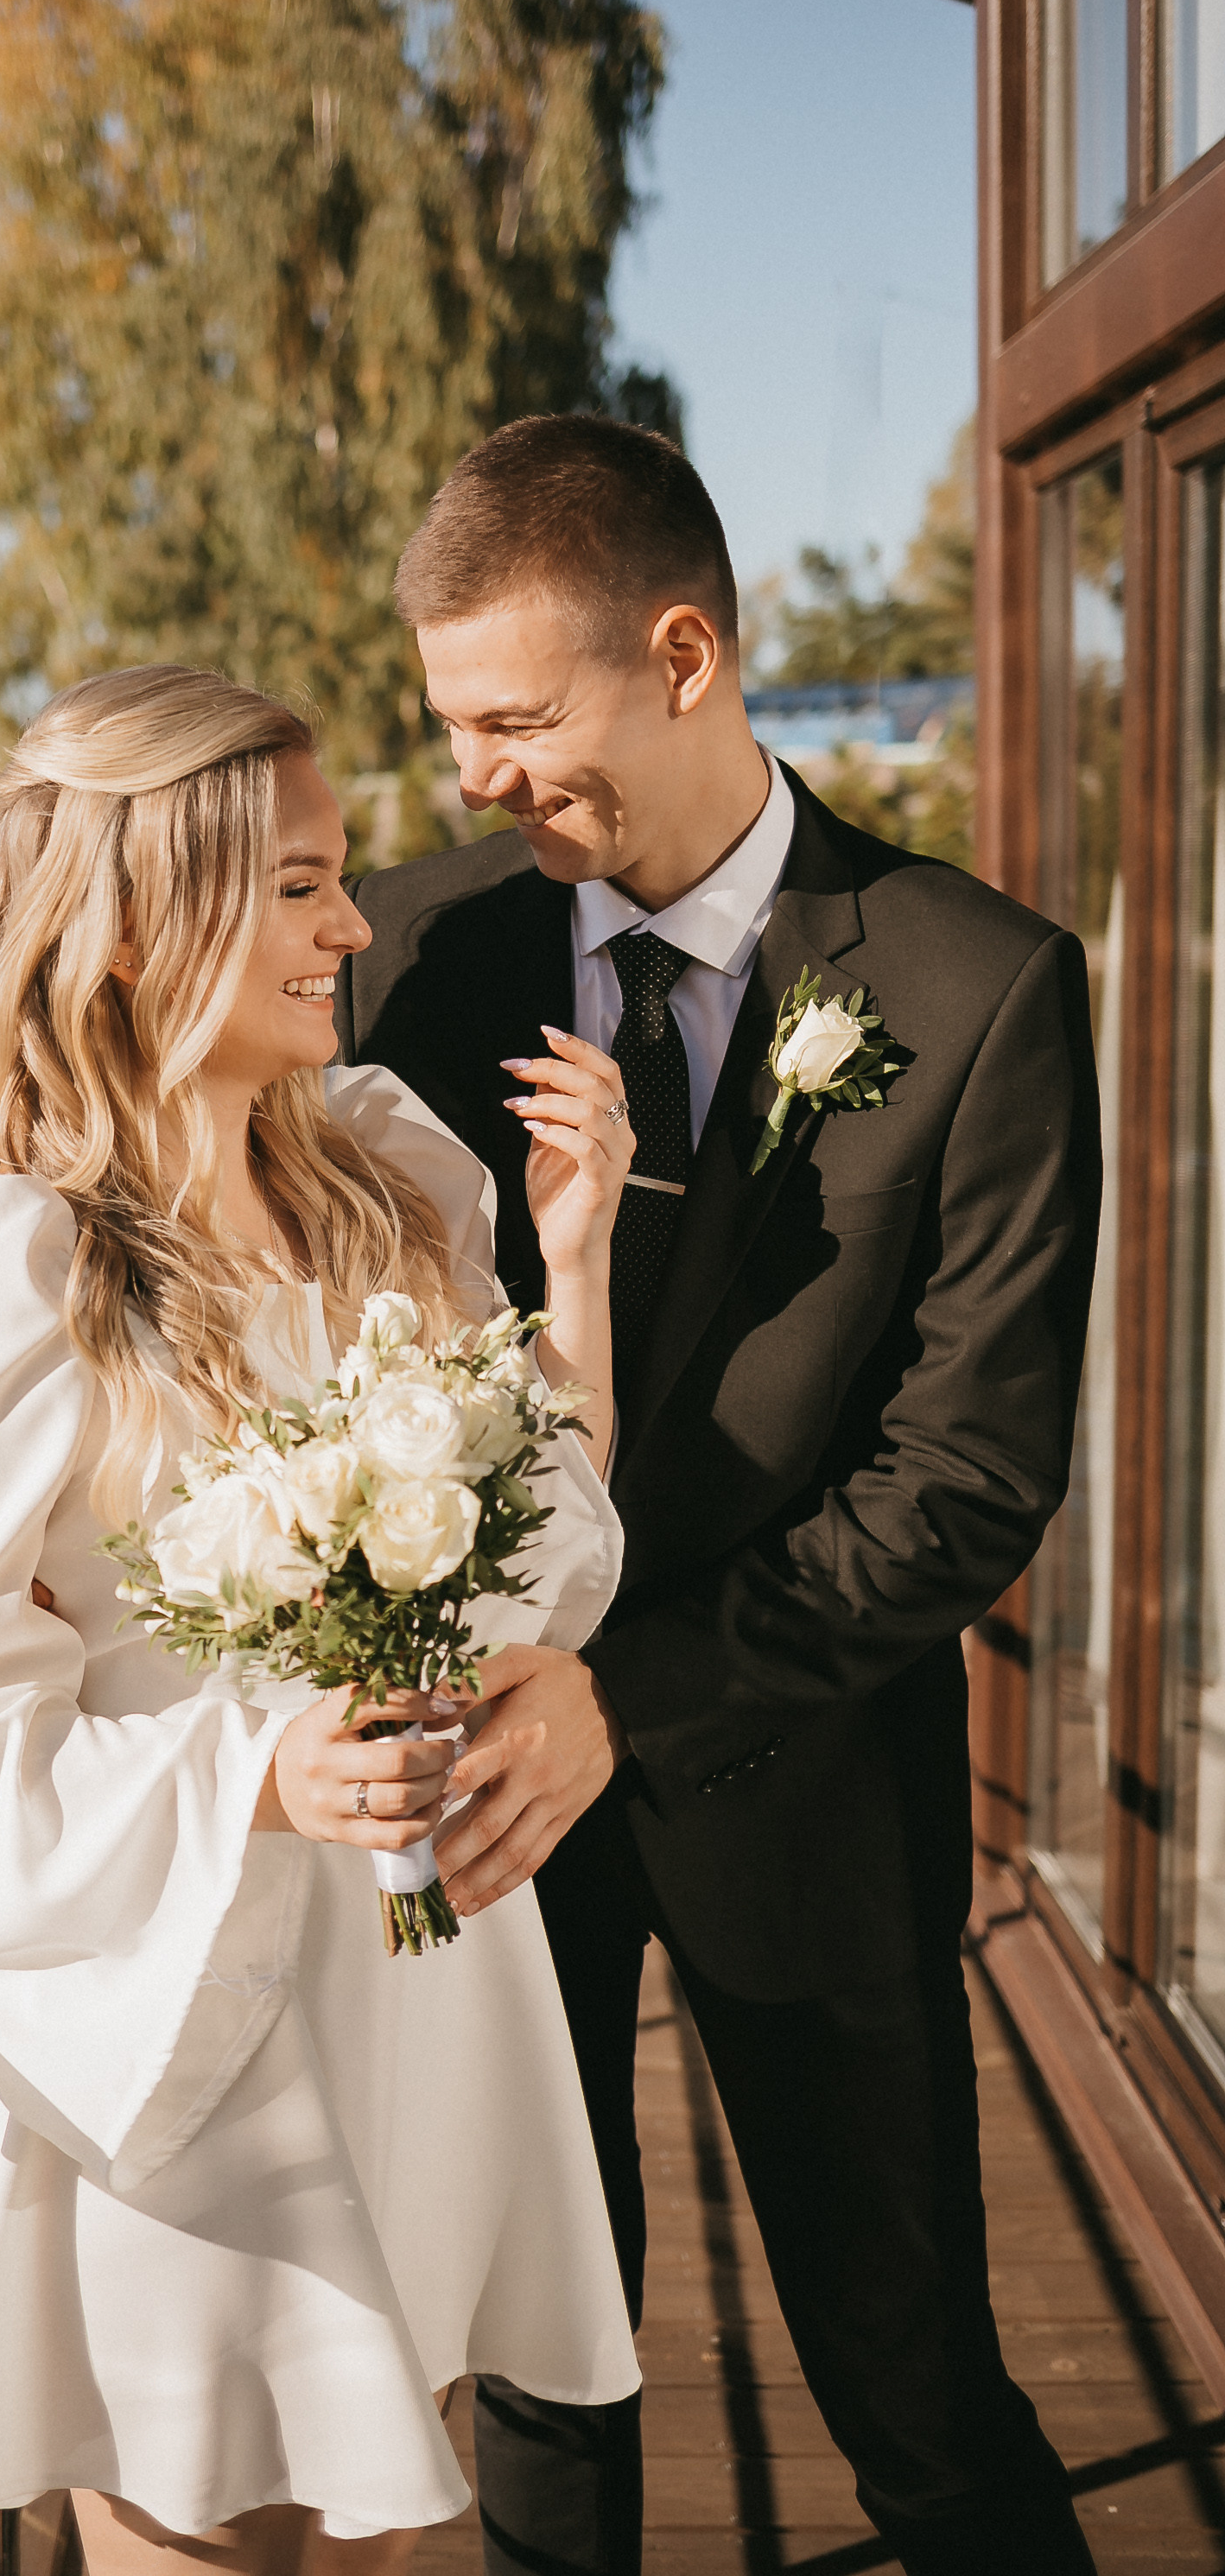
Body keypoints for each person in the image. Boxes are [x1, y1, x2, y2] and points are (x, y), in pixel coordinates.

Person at [336, 413, 1103, 2576]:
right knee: (544, 2406)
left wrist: (629, 1697)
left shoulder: (976, 990)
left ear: (680, 656)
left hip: (808, 1800)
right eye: (449, 727)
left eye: (510, 717)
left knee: (920, 2401)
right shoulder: (406, 955)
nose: (474, 775)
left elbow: (962, 1484)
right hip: (479, 1829)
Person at [0, 664, 645, 2576]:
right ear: (128, 929)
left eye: (338, 875)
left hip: (417, 2015)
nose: (353, 926)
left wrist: (575, 1262)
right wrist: (258, 1773)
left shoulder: (384, 1179)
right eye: (295, 883)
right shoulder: (1, 1256)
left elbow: (545, 1542)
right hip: (182, 2048)